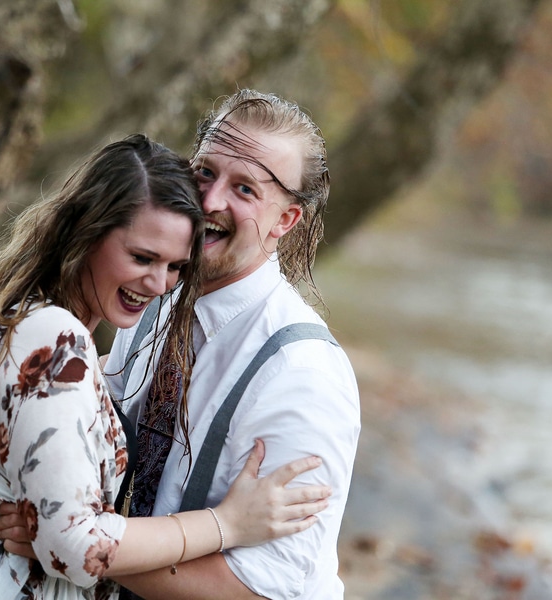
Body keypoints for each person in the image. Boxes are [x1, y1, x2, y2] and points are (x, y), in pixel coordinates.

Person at [0, 134, 331, 600]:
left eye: (174, 267)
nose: (160, 283)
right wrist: (226, 524)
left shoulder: (16, 314)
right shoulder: (52, 340)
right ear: (88, 232)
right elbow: (78, 547)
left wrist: (53, 519)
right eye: (142, 257)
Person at [104, 90, 362, 599]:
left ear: (285, 221)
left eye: (244, 188)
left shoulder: (303, 373)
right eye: (204, 172)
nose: (209, 201)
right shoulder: (150, 294)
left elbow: (261, 589)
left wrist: (75, 543)